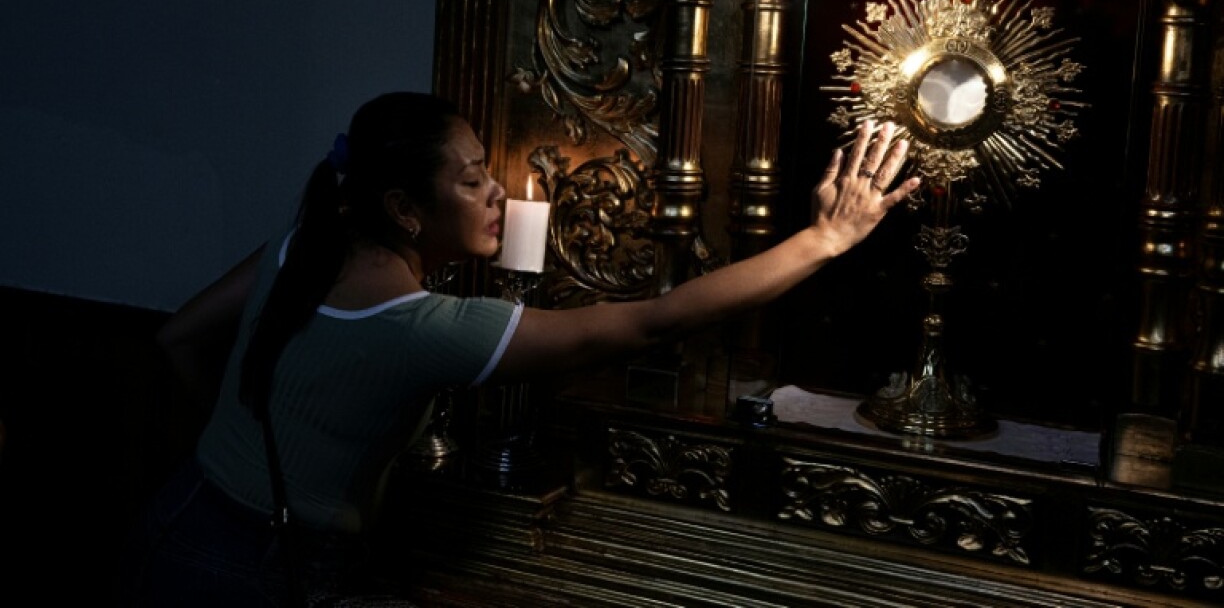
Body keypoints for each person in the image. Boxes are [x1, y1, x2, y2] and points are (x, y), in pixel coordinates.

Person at [117, 91, 920, 607]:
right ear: (404, 209)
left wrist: (238, 453)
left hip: (180, 520)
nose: (496, 189)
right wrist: (825, 239)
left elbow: (178, 337)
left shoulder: (302, 247)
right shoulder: (425, 327)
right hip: (260, 571)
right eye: (472, 180)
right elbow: (654, 322)